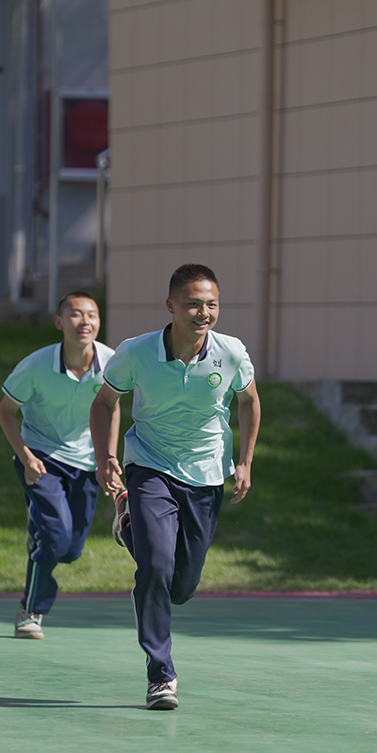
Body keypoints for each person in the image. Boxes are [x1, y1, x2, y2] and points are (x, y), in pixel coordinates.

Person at [89, 263, 261, 710]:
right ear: (171, 306)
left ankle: (128, 525)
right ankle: (160, 675)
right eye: (193, 304)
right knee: (155, 569)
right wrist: (106, 457)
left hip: (206, 474)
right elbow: (104, 402)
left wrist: (244, 461)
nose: (204, 313)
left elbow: (249, 401)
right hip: (149, 465)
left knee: (181, 586)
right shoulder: (135, 352)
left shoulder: (231, 352)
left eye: (212, 305)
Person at [0, 292, 120, 639]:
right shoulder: (35, 365)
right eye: (76, 314)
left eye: (92, 315)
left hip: (86, 461)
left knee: (70, 550)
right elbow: (5, 412)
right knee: (54, 538)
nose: (85, 322)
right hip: (41, 457)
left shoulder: (111, 362)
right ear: (59, 322)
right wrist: (26, 456)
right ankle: (30, 611)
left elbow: (112, 408)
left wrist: (107, 457)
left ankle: (38, 531)